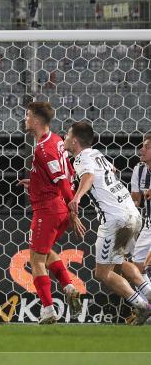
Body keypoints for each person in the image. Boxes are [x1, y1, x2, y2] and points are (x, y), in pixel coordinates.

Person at [65, 121, 151, 324]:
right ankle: (148, 294)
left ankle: (143, 307)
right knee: (121, 263)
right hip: (132, 213)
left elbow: (88, 176)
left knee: (102, 273)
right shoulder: (96, 154)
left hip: (115, 220)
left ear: (75, 141)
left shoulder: (81, 159)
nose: (65, 138)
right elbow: (112, 171)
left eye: (68, 135)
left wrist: (77, 197)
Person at [16, 102, 85, 324]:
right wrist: (35, 182)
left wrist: (73, 209)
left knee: (35, 259)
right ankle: (69, 286)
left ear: (36, 121)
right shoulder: (56, 141)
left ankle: (48, 310)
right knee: (45, 253)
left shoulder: (43, 149)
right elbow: (69, 173)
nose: (25, 120)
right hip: (55, 207)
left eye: (27, 116)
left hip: (48, 209)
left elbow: (63, 181)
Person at [129, 133, 151, 282]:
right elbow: (136, 200)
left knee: (148, 261)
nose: (141, 150)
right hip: (149, 223)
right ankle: (146, 302)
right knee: (137, 264)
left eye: (147, 147)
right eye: (142, 146)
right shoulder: (139, 169)